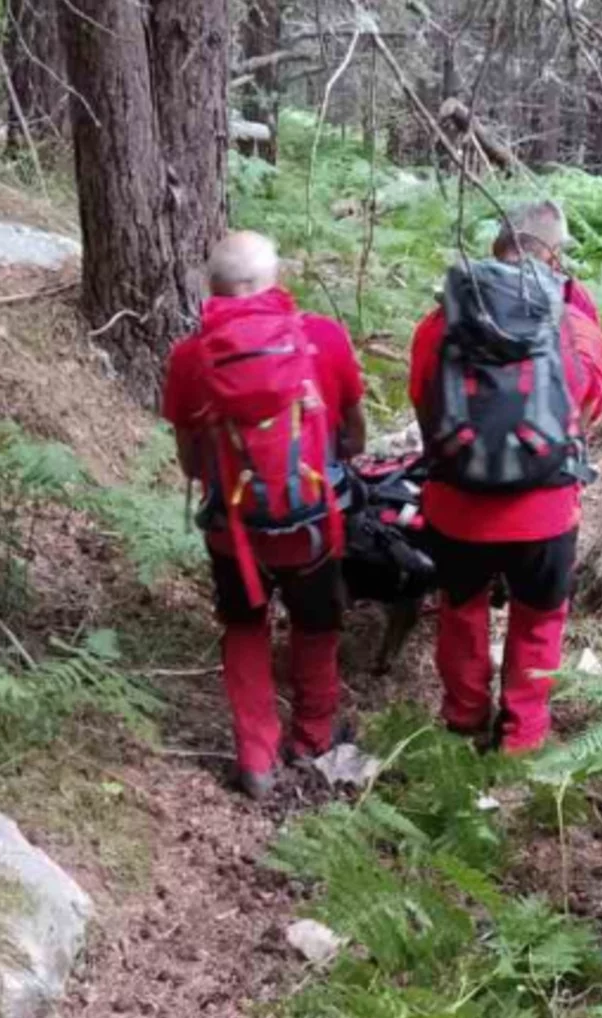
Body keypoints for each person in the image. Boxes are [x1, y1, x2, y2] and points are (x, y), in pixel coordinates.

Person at [163, 231, 368, 798]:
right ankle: (314, 737)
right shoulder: (322, 338)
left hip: (234, 535)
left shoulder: (190, 358)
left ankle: (255, 759)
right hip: (312, 527)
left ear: (214, 289)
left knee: (245, 629)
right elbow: (354, 431)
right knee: (317, 625)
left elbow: (190, 460)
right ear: (277, 280)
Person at [408, 201, 602, 755]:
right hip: (545, 512)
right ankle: (521, 740)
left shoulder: (440, 323)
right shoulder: (575, 326)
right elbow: (587, 411)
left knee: (461, 611)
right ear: (554, 254)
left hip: (456, 507)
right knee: (540, 621)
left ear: (497, 247)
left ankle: (464, 722)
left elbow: (423, 398)